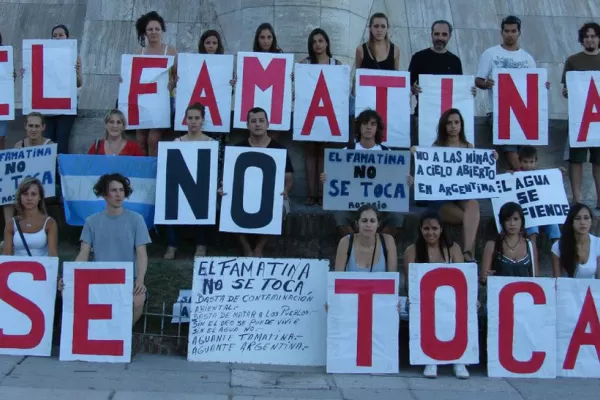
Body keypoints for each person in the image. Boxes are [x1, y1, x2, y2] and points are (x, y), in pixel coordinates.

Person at [408, 108, 495, 262]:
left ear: (461, 125)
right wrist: (418, 153)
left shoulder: (469, 147)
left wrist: (491, 158)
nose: (453, 126)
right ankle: (468, 257)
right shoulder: (436, 148)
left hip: (461, 195)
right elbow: (429, 175)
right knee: (470, 219)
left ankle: (467, 252)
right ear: (444, 126)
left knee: (473, 205)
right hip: (441, 200)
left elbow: (475, 173)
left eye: (456, 122)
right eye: (449, 123)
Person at [74, 173, 151, 325]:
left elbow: (142, 254)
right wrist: (71, 276)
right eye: (114, 190)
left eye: (121, 190)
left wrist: (140, 280)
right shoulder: (91, 221)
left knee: (138, 300)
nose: (118, 194)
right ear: (104, 194)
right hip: (99, 278)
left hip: (129, 278)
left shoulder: (136, 219)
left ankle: (124, 334)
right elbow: (83, 253)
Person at [475, 15, 547, 171]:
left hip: (523, 112)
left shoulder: (527, 59)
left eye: (513, 31)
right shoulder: (490, 54)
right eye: (507, 31)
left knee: (526, 149)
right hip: (499, 110)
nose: (510, 34)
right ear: (502, 32)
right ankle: (525, 178)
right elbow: (478, 80)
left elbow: (534, 85)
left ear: (519, 33)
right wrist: (487, 84)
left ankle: (523, 178)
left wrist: (542, 85)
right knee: (509, 146)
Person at [220, 107, 293, 257]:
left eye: (261, 121)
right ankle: (246, 247)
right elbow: (226, 178)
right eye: (253, 121)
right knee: (224, 204)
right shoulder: (237, 149)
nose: (257, 124)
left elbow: (289, 179)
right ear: (247, 125)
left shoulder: (279, 149)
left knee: (281, 208)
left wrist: (286, 190)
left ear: (268, 124)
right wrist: (222, 188)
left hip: (271, 194)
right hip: (243, 194)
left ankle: (259, 247)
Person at [403, 210, 468, 379]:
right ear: (420, 229)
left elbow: (462, 280)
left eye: (434, 228)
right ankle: (430, 359)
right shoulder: (412, 250)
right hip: (424, 302)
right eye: (426, 228)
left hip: (449, 300)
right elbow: (410, 284)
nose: (430, 232)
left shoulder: (453, 248)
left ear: (441, 229)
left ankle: (459, 360)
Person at [321, 109, 404, 237]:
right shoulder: (346, 151)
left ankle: (377, 245)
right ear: (359, 127)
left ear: (377, 128)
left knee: (397, 217)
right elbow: (336, 178)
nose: (368, 127)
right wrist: (327, 178)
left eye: (372, 124)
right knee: (340, 216)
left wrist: (406, 181)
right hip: (352, 205)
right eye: (365, 124)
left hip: (380, 206)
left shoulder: (386, 152)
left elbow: (395, 180)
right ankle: (355, 246)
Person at [409, 20, 476, 141]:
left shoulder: (455, 61)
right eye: (437, 34)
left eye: (444, 34)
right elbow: (406, 87)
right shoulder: (418, 57)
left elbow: (459, 90)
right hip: (423, 116)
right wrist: (413, 89)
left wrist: (469, 93)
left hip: (448, 121)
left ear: (450, 36)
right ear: (431, 34)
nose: (440, 38)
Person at [164, 103, 215, 260]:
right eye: (190, 118)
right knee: (167, 201)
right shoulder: (176, 142)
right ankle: (172, 244)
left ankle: (201, 244)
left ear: (202, 121)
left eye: (197, 118)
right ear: (185, 120)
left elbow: (214, 170)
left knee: (204, 200)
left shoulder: (211, 143)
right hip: (180, 185)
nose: (193, 121)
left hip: (201, 186)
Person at [301, 28, 342, 206]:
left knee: (324, 155)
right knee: (310, 154)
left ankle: (324, 193)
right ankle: (311, 194)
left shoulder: (336, 64)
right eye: (314, 42)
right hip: (310, 112)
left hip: (328, 113)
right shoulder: (304, 63)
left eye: (320, 41)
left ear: (326, 43)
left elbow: (341, 90)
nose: (317, 44)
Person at [561, 22, 600, 207]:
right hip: (579, 119)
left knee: (598, 161)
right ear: (581, 39)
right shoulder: (573, 61)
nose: (590, 39)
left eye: (593, 36)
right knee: (576, 159)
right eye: (586, 36)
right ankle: (577, 200)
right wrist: (567, 92)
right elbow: (566, 89)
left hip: (598, 120)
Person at [133, 11, 178, 157]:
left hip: (163, 100)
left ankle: (153, 172)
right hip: (143, 100)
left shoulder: (171, 51)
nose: (154, 32)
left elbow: (179, 75)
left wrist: (174, 82)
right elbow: (133, 76)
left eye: (157, 29)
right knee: (140, 140)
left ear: (162, 31)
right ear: (145, 32)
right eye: (150, 29)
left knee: (153, 139)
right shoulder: (139, 52)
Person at [36, 25, 83, 155]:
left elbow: (79, 84)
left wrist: (75, 72)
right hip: (48, 106)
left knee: (62, 142)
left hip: (66, 105)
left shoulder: (74, 56)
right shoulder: (43, 56)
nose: (57, 38)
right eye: (54, 35)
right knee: (47, 141)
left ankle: (60, 173)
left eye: (60, 35)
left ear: (67, 37)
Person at [3, 112, 54, 224]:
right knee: (7, 191)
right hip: (22, 184)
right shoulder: (19, 145)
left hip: (41, 184)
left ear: (43, 127)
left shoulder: (49, 145)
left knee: (33, 191)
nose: (33, 129)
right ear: (25, 126)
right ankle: (9, 229)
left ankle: (41, 228)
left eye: (37, 126)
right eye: (31, 126)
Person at [517, 146, 562, 246]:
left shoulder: (540, 175)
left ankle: (558, 257)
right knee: (532, 232)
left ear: (535, 162)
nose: (528, 165)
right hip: (527, 213)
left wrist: (557, 173)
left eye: (531, 162)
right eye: (525, 162)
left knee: (555, 229)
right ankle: (534, 259)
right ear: (519, 161)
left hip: (543, 212)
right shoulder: (515, 175)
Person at [481, 202, 537, 282]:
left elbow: (536, 278)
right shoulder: (492, 245)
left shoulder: (530, 245)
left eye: (516, 219)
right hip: (500, 292)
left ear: (522, 221)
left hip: (525, 293)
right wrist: (486, 277)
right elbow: (483, 279)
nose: (512, 223)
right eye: (507, 220)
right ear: (502, 222)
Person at [2, 178, 58, 257]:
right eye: (25, 194)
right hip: (17, 267)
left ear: (40, 197)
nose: (29, 198)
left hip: (41, 268)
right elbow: (6, 255)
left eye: (33, 194)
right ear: (20, 197)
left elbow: (53, 254)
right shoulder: (11, 223)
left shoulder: (50, 222)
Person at [334, 204, 397, 272]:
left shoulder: (388, 241)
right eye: (364, 221)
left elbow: (392, 277)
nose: (368, 225)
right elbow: (338, 277)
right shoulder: (345, 242)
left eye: (372, 221)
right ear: (357, 223)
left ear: (378, 224)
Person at [551, 203, 600, 279]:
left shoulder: (598, 243)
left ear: (591, 222)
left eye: (586, 218)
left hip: (590, 289)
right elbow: (556, 281)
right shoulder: (557, 246)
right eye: (577, 218)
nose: (582, 222)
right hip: (566, 289)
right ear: (571, 222)